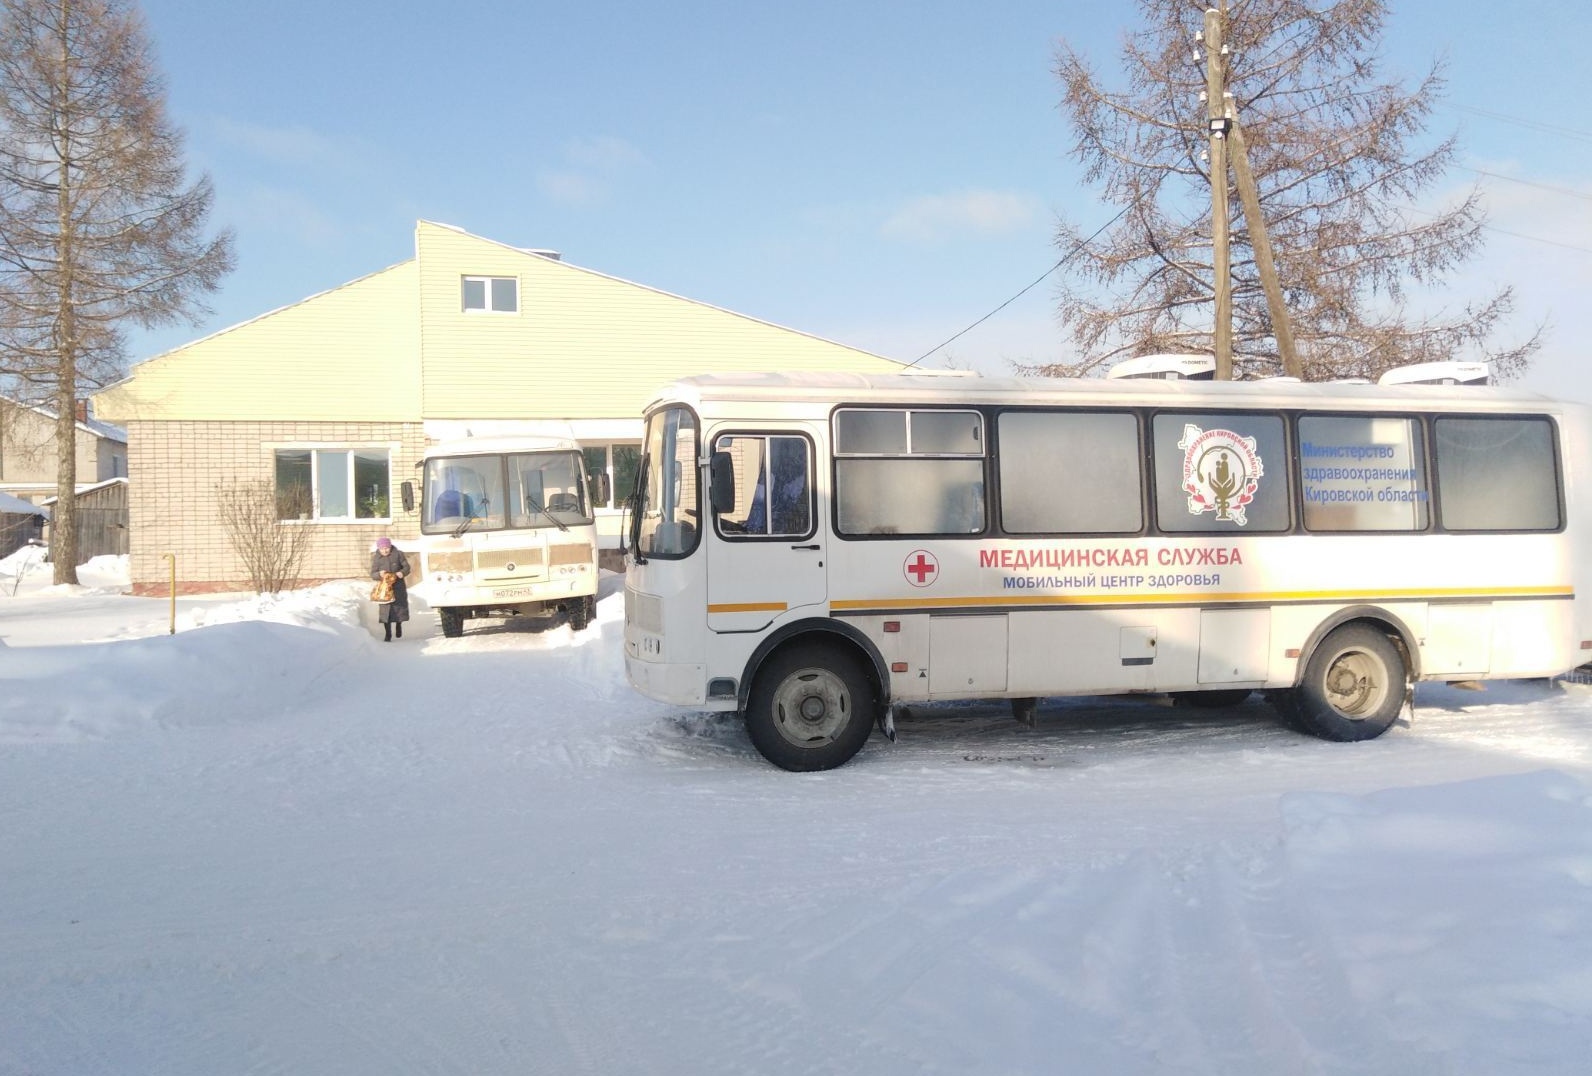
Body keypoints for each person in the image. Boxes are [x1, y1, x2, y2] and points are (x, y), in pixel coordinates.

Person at [369, 537, 411, 642]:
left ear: (390, 546)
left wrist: (402, 573)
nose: (385, 550)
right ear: (378, 549)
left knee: (399, 609)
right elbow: (372, 574)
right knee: (385, 611)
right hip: (384, 588)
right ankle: (387, 634)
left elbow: (407, 567)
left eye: (386, 548)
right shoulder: (376, 558)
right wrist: (379, 574)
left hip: (398, 587)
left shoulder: (398, 554)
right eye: (382, 549)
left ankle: (398, 625)